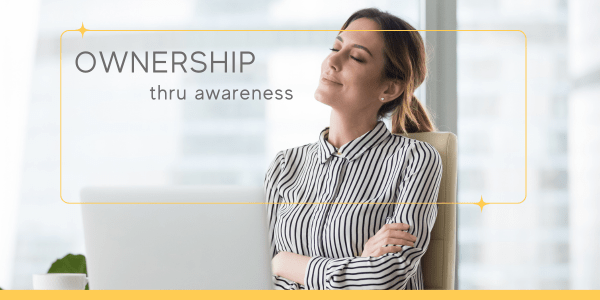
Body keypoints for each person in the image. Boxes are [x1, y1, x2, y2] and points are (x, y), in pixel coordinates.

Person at [264, 7, 443, 290]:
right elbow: (257, 270)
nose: (332, 61)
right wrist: (358, 262)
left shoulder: (414, 159)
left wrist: (285, 263)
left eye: (356, 57)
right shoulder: (286, 163)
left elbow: (386, 277)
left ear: (390, 88)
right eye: (335, 47)